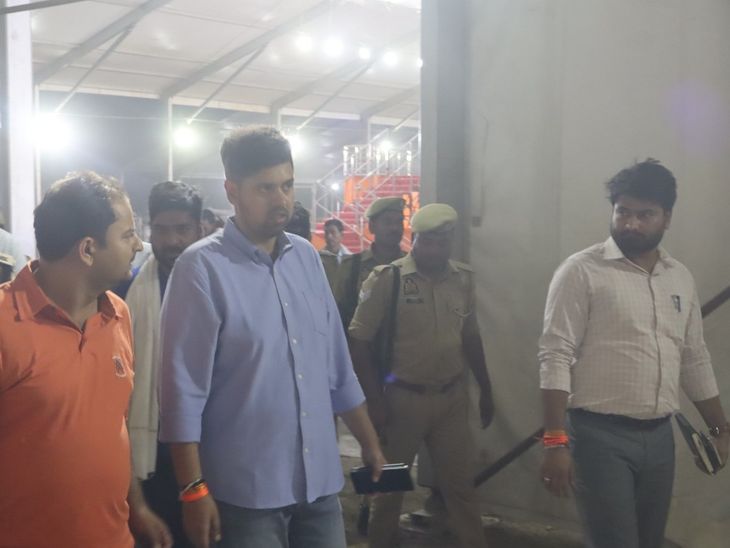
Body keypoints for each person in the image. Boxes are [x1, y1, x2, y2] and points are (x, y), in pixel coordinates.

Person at [158, 126, 386, 548]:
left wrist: (370, 444)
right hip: (246, 496)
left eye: (287, 185)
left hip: (319, 488)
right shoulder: (201, 269)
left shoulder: (307, 259)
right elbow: (182, 392)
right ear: (232, 190)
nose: (281, 199)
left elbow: (337, 367)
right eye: (265, 188)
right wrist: (193, 489)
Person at [539, 159, 730, 548]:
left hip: (659, 437)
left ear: (667, 218)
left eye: (645, 215)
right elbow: (555, 354)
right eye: (623, 212)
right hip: (598, 437)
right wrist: (555, 441)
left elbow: (694, 357)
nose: (631, 224)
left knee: (649, 541)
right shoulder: (581, 271)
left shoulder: (679, 277)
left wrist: (719, 429)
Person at [0, 171, 171, 548]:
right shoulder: (5, 322)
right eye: (127, 235)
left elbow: (113, 425)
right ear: (88, 249)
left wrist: (137, 506)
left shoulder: (118, 314)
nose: (138, 245)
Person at [349, 203, 493, 548]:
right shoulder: (389, 278)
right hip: (401, 400)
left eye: (443, 242)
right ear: (414, 239)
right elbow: (358, 341)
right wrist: (374, 400)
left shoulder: (463, 279)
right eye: (428, 241)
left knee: (461, 487)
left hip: (450, 398)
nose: (435, 250)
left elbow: (470, 337)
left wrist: (486, 389)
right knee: (388, 489)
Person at [127, 181, 204, 547]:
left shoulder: (222, 283)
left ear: (199, 229)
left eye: (182, 229)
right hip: (152, 451)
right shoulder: (126, 290)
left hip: (212, 446)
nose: (172, 240)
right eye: (161, 229)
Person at [335, 196, 406, 328]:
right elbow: (337, 313)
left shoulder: (411, 266)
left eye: (399, 222)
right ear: (372, 227)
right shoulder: (352, 267)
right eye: (388, 222)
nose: (395, 228)